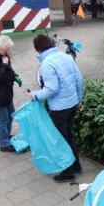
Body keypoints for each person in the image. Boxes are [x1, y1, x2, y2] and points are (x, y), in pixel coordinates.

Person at [28, 34, 83, 183]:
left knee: (60, 139)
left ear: (38, 49)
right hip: (72, 104)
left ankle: (68, 172)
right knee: (70, 135)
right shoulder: (66, 57)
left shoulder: (47, 63)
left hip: (60, 108)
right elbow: (79, 78)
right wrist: (79, 99)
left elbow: (52, 89)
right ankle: (76, 166)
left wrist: (35, 95)